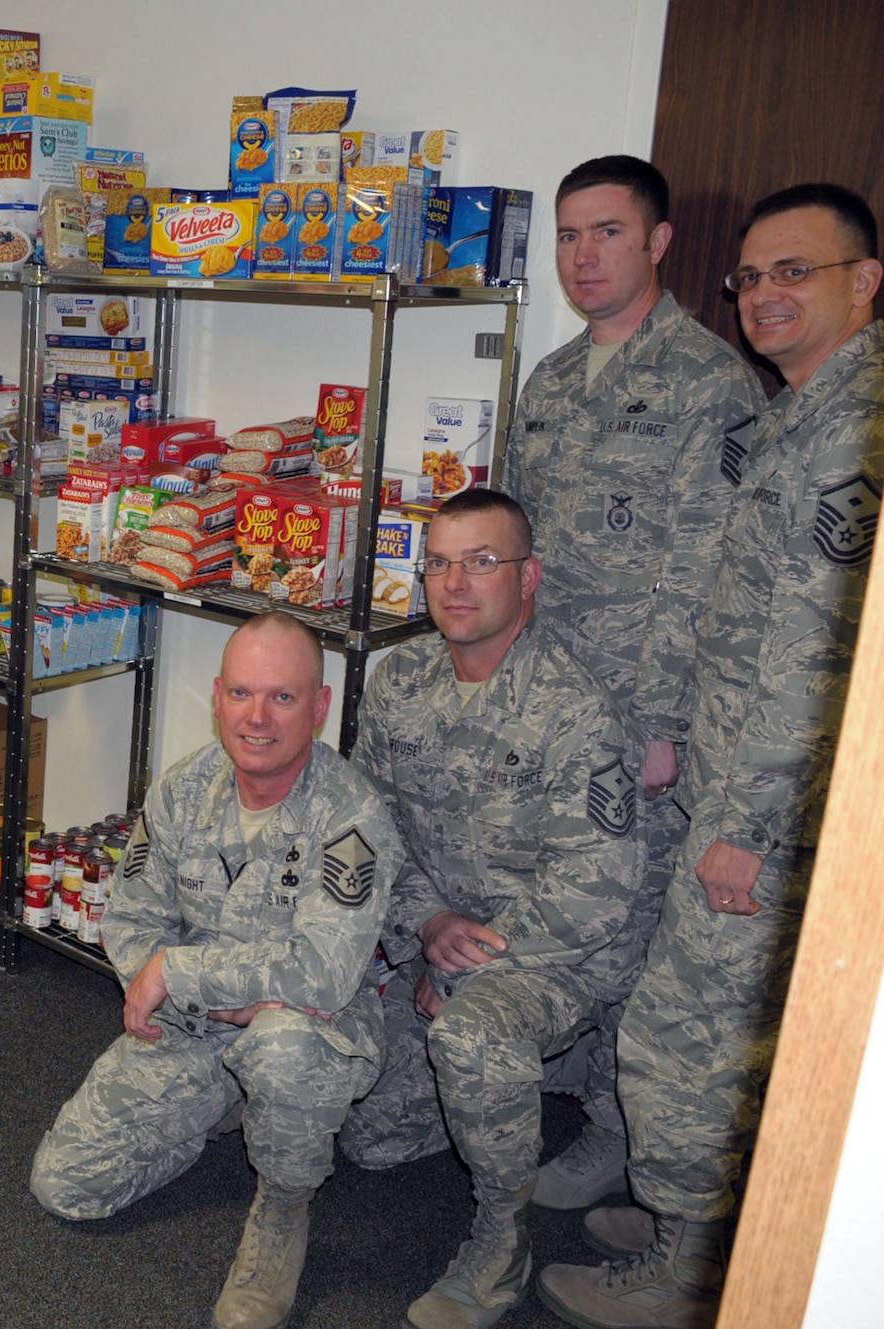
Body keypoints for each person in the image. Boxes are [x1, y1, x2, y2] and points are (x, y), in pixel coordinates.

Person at [538, 184, 883, 1328]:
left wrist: (741, 821)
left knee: (683, 1033)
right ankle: (693, 1215)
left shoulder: (849, 430)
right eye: (754, 279)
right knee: (696, 1016)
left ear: (863, 283)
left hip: (764, 807)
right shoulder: (801, 411)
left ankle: (687, 1274)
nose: (767, 297)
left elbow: (810, 651)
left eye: (798, 273)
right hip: (722, 774)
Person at [500, 157, 766, 1212]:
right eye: (569, 236)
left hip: (638, 714)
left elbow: (703, 576)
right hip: (551, 705)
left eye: (606, 233)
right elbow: (513, 552)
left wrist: (660, 726)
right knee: (555, 896)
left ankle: (616, 1134)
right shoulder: (551, 382)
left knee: (636, 923)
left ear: (656, 242)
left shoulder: (712, 385)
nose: (583, 256)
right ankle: (555, 1090)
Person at [31, 612, 406, 1329]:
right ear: (216, 697)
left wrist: (185, 971)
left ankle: (283, 1207)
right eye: (241, 693)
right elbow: (132, 921)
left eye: (283, 697)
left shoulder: (351, 814)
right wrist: (181, 984)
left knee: (281, 1046)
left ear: (320, 707)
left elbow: (322, 973)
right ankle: (227, 1104)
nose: (257, 717)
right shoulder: (182, 788)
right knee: (65, 1185)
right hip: (194, 1027)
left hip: (307, 1030)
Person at [343, 490, 645, 1329]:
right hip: (438, 940)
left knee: (472, 1039)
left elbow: (599, 882)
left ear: (530, 575)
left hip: (555, 957)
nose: (456, 582)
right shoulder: (399, 680)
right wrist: (426, 927)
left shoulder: (573, 707)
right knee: (370, 1139)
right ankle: (503, 1106)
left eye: (482, 560)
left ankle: (498, 1245)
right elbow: (367, 834)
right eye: (438, 561)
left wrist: (472, 963)